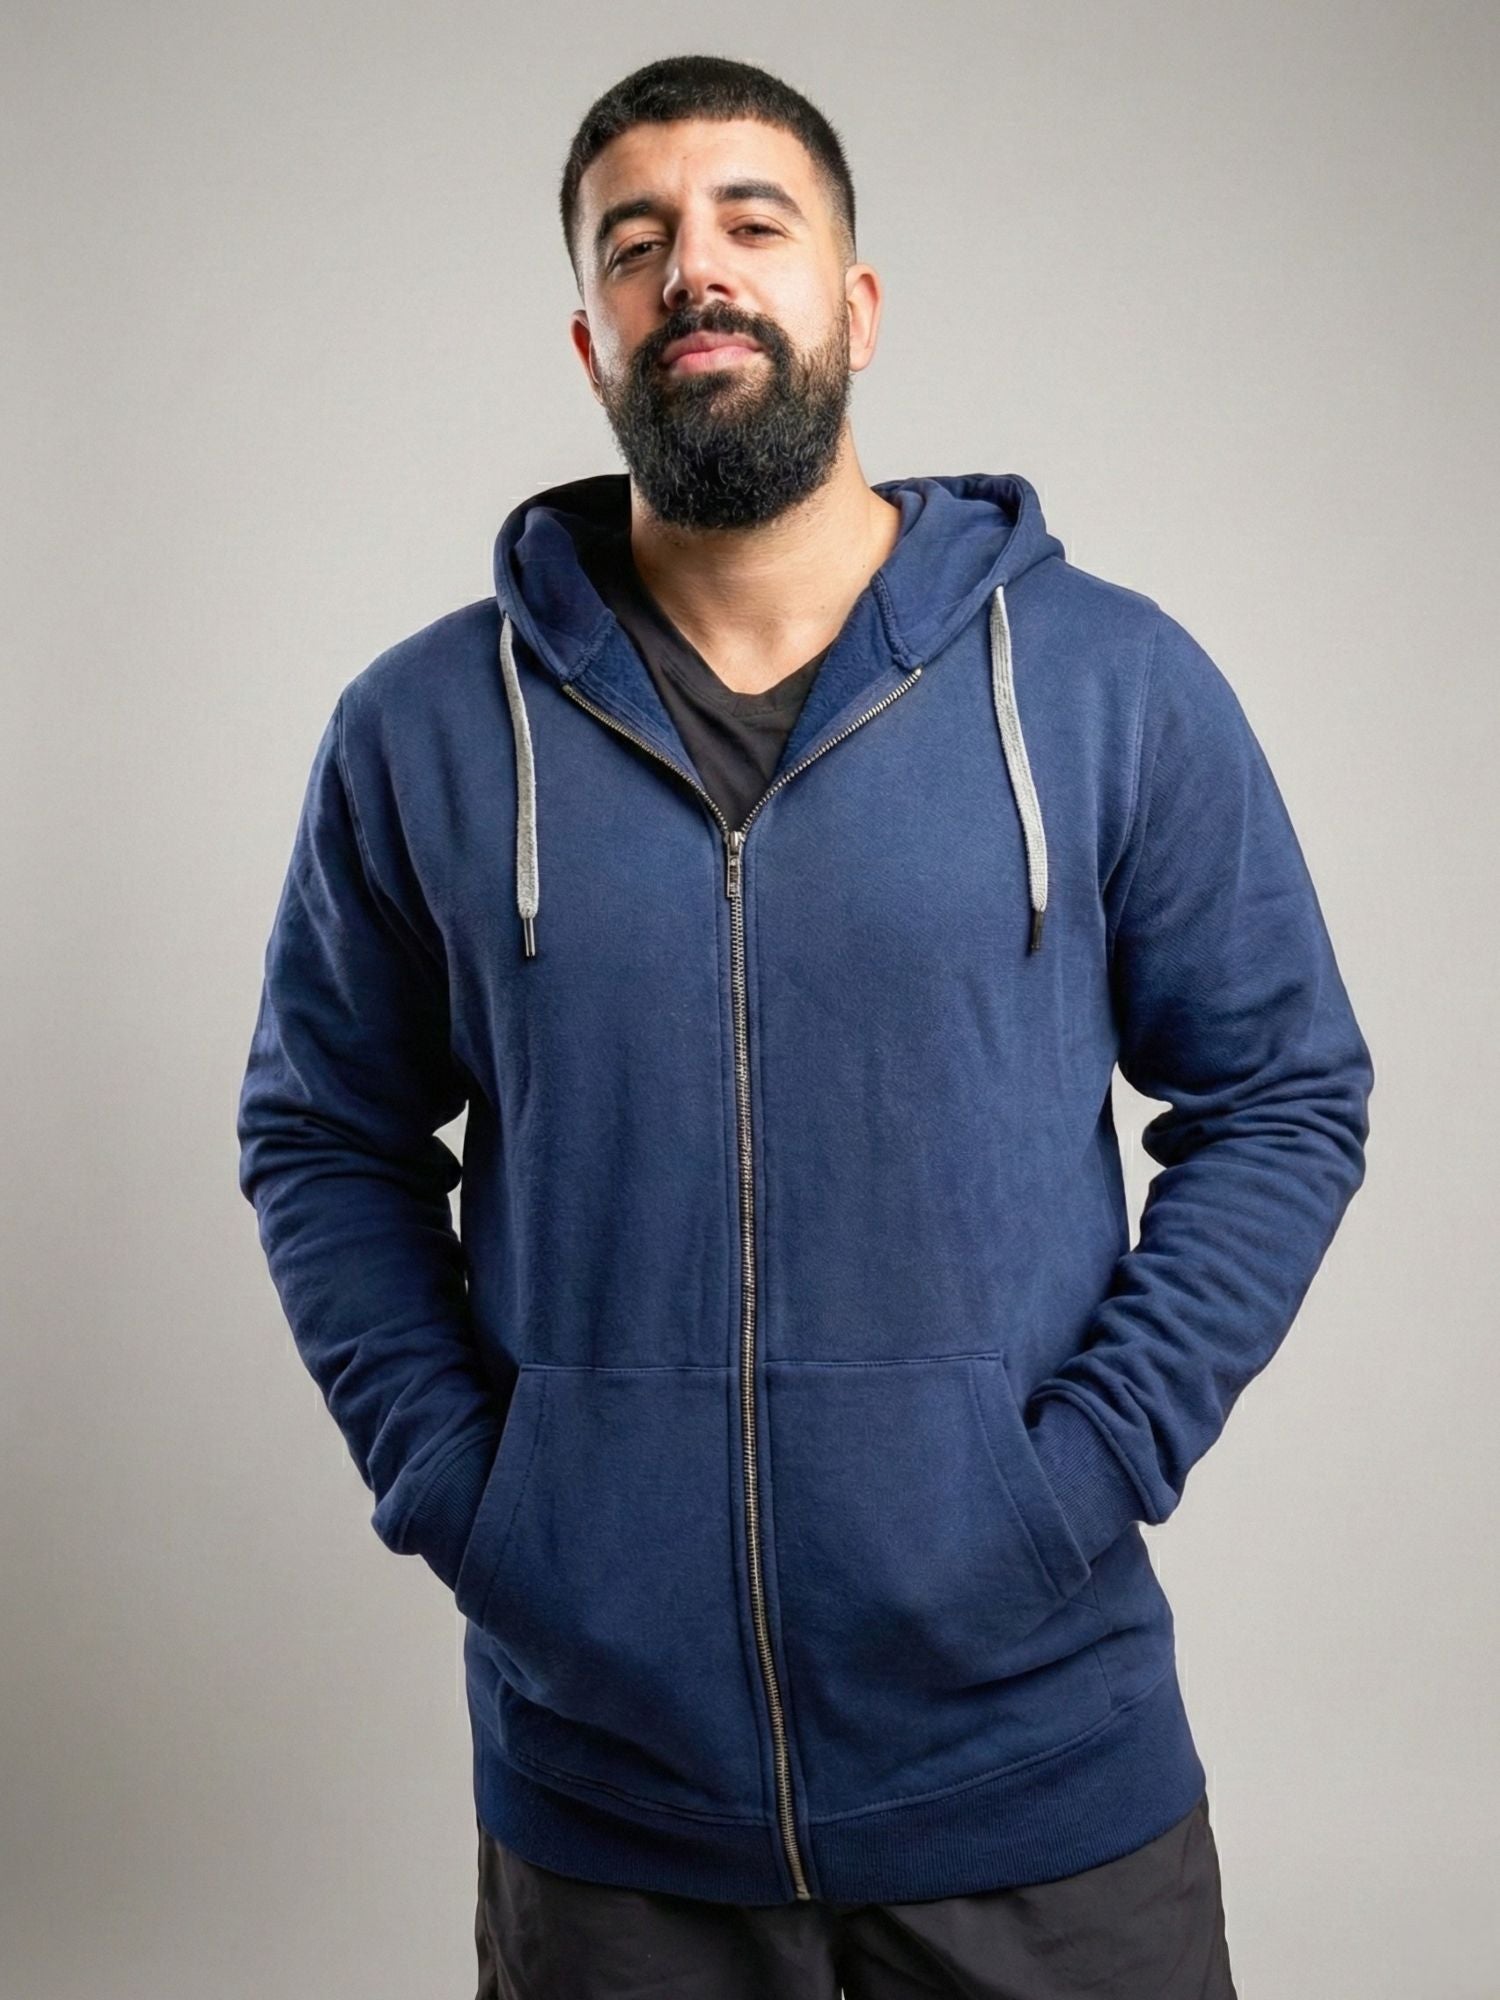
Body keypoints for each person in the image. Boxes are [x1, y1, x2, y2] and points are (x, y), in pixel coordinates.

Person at [236, 51, 1373, 2000]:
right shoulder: (424, 732)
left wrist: (1076, 1477)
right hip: (613, 1818)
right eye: (640, 242)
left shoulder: (1106, 684)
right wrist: (475, 1497)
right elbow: (323, 1133)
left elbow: (1283, 1089)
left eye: (755, 225)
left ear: (856, 304)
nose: (699, 270)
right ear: (587, 334)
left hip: (1040, 1779)